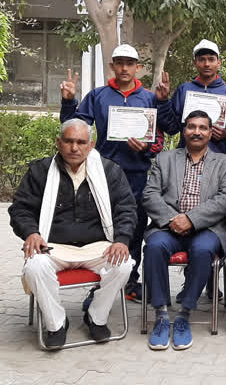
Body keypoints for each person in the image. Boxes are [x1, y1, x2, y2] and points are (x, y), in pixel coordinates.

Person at [9, 119, 137, 348]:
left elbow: (126, 208)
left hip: (97, 245)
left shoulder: (109, 171)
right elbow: (20, 209)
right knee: (35, 266)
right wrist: (31, 232)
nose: (74, 148)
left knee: (124, 264)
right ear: (59, 143)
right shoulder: (40, 170)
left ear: (91, 145)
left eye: (81, 142)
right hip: (53, 245)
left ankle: (96, 317)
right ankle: (56, 323)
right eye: (68, 141)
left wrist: (122, 240)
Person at [59, 43, 161, 302]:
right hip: (102, 174)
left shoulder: (149, 98)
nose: (125, 68)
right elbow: (76, 128)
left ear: (138, 68)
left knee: (135, 227)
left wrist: (146, 148)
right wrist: (69, 102)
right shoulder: (98, 96)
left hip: (137, 174)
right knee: (103, 226)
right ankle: (101, 279)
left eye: (130, 63)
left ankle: (131, 280)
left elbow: (159, 139)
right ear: (113, 66)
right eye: (120, 63)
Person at [142, 110, 226, 351]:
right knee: (153, 247)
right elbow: (150, 194)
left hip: (208, 228)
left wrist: (191, 220)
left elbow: (225, 201)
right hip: (169, 226)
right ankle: (162, 314)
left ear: (210, 132)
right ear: (184, 131)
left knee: (203, 249)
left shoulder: (225, 163)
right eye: (192, 127)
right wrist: (174, 219)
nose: (197, 132)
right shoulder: (165, 159)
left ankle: (184, 314)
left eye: (203, 127)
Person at [155, 39, 226, 158]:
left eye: (211, 59)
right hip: (186, 159)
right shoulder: (184, 90)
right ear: (195, 63)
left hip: (219, 160)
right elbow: (171, 128)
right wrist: (163, 101)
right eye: (202, 59)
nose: (206, 64)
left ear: (219, 62)